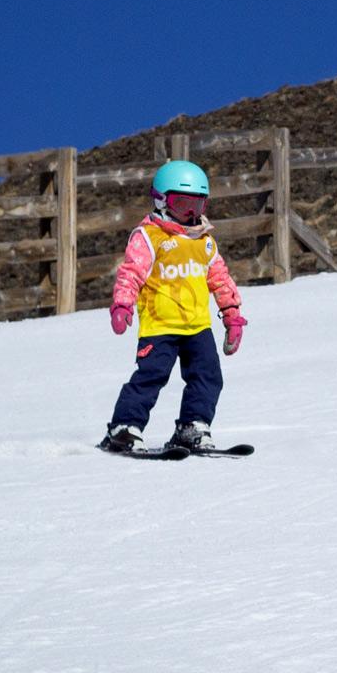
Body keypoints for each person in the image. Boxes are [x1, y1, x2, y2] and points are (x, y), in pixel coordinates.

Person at [100, 160, 247, 453]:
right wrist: (122, 305)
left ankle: (192, 426)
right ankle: (123, 428)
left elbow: (220, 279)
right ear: (162, 201)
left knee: (207, 377)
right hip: (160, 326)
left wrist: (232, 316)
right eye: (183, 205)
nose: (191, 214)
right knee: (151, 376)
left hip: (197, 326)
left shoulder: (204, 242)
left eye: (198, 205)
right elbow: (131, 272)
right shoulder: (150, 236)